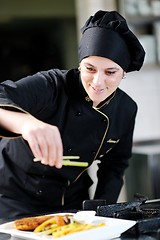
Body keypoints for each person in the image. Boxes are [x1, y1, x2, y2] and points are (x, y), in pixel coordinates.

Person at [0, 10, 145, 220]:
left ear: (123, 73)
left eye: (110, 72)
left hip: (71, 200)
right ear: (80, 64)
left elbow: (115, 165)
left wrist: (103, 214)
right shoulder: (52, 85)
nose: (97, 82)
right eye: (90, 68)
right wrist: (26, 123)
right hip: (14, 197)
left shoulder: (126, 109)